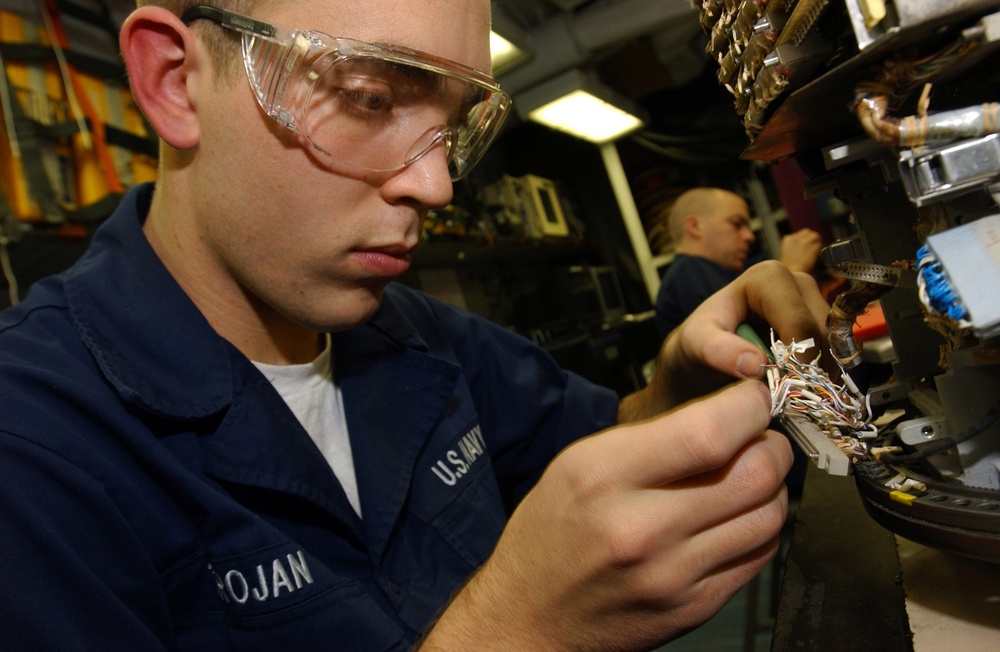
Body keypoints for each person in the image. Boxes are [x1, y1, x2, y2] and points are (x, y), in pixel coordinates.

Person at [0, 1, 831, 650]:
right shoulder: (33, 447)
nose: (436, 185)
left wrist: (673, 385)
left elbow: (595, 435)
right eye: (368, 97)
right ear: (177, 83)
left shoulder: (413, 335)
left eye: (452, 126)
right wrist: (517, 634)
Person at [654, 187, 824, 338]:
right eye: (737, 224)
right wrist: (792, 270)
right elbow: (757, 345)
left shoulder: (725, 271)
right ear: (695, 226)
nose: (750, 236)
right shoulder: (687, 274)